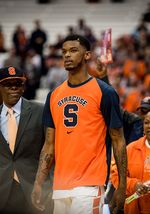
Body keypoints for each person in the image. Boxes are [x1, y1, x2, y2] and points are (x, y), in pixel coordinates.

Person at [31, 35, 127, 214]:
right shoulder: (53, 95)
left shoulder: (104, 92)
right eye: (64, 52)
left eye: (73, 51)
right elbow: (49, 144)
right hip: (60, 185)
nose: (67, 55)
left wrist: (122, 185)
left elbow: (119, 139)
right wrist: (38, 182)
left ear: (87, 55)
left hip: (89, 185)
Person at [0, 66, 53, 214]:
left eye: (18, 83)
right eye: (8, 84)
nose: (14, 87)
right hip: (3, 193)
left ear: (23, 87)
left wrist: (50, 186)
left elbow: (51, 149)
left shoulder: (40, 111)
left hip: (36, 190)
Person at [95, 59, 150, 146]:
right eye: (143, 111)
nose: (146, 115)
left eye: (149, 111)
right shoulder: (134, 124)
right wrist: (104, 77)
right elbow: (115, 108)